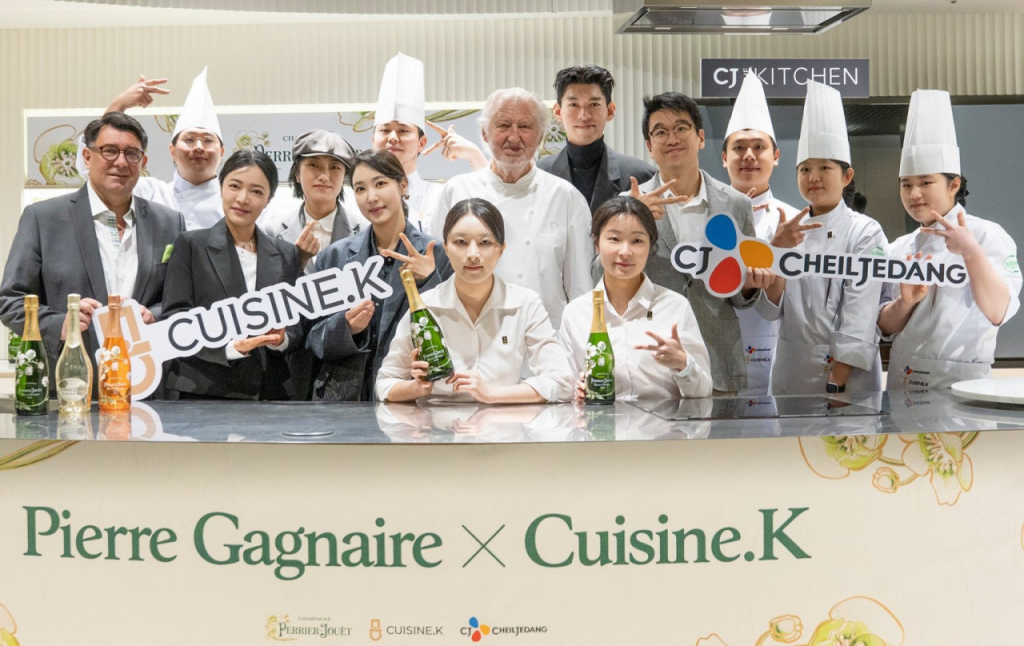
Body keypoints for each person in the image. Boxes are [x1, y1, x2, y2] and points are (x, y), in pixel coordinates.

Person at [0, 112, 186, 392]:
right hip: (72, 387)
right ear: (87, 157)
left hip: (147, 387)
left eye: (132, 154)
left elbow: (180, 301)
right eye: (109, 151)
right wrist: (62, 323)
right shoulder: (43, 218)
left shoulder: (169, 222)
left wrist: (154, 316)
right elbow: (11, 300)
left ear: (143, 162)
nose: (121, 162)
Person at [625, 91, 774, 394]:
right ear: (649, 147)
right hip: (650, 360)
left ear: (701, 137)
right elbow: (597, 276)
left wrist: (751, 284)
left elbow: (740, 295)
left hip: (718, 360)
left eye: (682, 128)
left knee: (722, 442)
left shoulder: (735, 204)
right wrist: (634, 224)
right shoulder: (629, 205)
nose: (672, 138)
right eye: (660, 132)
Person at [878, 89, 1021, 390]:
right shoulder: (899, 247)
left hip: (962, 383)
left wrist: (971, 253)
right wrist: (905, 303)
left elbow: (998, 312)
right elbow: (884, 325)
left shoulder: (986, 235)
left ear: (954, 184)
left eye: (926, 182)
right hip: (902, 378)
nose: (914, 194)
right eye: (906, 185)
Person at [376, 198, 573, 404]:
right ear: (446, 247)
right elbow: (384, 383)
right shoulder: (425, 306)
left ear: (501, 249)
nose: (472, 254)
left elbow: (562, 382)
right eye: (460, 242)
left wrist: (490, 394)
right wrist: (416, 388)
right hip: (436, 432)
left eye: (485, 243)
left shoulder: (525, 303)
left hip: (504, 431)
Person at [427, 87, 593, 327]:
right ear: (484, 133)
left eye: (525, 127)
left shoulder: (565, 197)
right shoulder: (457, 190)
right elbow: (438, 275)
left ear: (540, 137)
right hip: (471, 338)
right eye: (503, 125)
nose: (514, 137)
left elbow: (580, 289)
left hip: (545, 343)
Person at [766, 81, 888, 395]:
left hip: (848, 381)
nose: (814, 177)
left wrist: (837, 383)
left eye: (824, 167)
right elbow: (771, 308)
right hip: (790, 371)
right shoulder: (785, 229)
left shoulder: (866, 232)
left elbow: (860, 313)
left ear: (847, 176)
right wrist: (776, 251)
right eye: (804, 168)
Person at [306, 150, 452, 401]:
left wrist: (430, 280)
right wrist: (346, 327)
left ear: (403, 185)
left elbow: (456, 332)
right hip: (342, 401)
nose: (371, 197)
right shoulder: (334, 257)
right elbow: (312, 339)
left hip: (412, 397)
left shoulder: (438, 255)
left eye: (380, 184)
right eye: (360, 189)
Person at [161, 150, 303, 400]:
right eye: (234, 186)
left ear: (269, 199)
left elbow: (297, 324)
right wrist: (228, 348)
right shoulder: (191, 245)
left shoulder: (285, 253)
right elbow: (176, 319)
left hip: (270, 392)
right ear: (220, 187)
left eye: (257, 191)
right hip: (205, 391)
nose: (243, 198)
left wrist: (280, 340)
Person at [721, 71, 818, 396]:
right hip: (717, 360)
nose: (749, 155)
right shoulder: (707, 217)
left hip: (782, 359)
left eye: (759, 147)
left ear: (776, 157)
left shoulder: (797, 220)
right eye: (739, 148)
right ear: (724, 158)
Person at [558, 196, 712, 400]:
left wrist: (682, 364)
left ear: (650, 246)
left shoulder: (675, 307)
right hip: (599, 429)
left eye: (637, 241)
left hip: (664, 429)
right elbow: (563, 386)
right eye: (614, 239)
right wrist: (574, 391)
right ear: (596, 242)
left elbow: (703, 391)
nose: (625, 252)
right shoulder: (576, 313)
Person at [371, 52, 487, 234]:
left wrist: (474, 154)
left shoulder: (440, 195)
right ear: (373, 140)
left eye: (403, 130)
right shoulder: (357, 197)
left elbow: (489, 215)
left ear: (422, 143)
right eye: (385, 130)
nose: (392, 137)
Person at [103, 68, 227, 230]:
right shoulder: (150, 192)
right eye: (189, 139)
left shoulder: (234, 201)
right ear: (172, 151)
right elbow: (96, 171)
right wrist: (118, 104)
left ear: (222, 152)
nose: (198, 147)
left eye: (208, 140)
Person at [537, 65, 656, 213]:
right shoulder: (538, 175)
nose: (584, 116)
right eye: (573, 104)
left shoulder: (642, 176)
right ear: (558, 111)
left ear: (610, 110)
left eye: (594, 104)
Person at [262, 130, 358, 273]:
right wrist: (297, 260)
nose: (324, 176)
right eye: (314, 165)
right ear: (297, 174)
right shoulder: (272, 231)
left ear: (345, 177)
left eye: (334, 167)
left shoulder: (365, 230)